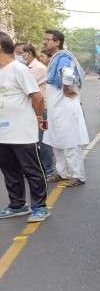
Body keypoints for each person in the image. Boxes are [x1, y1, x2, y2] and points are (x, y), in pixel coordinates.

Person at [0, 32, 50, 222]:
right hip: (2, 133)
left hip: (22, 131)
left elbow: (36, 96)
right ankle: (17, 205)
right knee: (9, 171)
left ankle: (40, 207)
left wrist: (38, 118)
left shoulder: (18, 69)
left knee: (32, 170)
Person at [41, 29, 89, 187]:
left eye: (48, 39)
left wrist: (67, 88)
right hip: (56, 108)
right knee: (56, 141)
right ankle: (63, 173)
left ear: (57, 42)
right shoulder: (55, 58)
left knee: (70, 141)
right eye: (45, 39)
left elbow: (67, 73)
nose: (45, 42)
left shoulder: (62, 57)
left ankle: (77, 175)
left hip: (65, 108)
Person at [17, 42, 55, 180]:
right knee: (32, 140)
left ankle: (49, 170)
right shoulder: (25, 68)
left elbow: (24, 88)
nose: (18, 56)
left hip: (40, 108)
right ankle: (40, 170)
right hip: (29, 108)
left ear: (29, 52)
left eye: (20, 53)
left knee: (42, 140)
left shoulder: (37, 68)